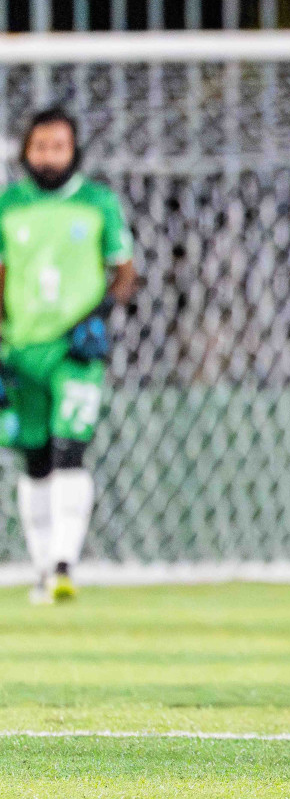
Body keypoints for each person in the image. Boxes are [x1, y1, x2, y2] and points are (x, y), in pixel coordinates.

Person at [2, 108, 137, 603]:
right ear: (26, 151)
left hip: (74, 351)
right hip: (20, 348)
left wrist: (99, 315)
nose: (50, 156)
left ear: (74, 150)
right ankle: (43, 567)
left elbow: (124, 271)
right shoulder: (8, 205)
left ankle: (64, 564)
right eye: (41, 146)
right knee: (34, 457)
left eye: (59, 146)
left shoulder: (99, 202)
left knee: (69, 448)